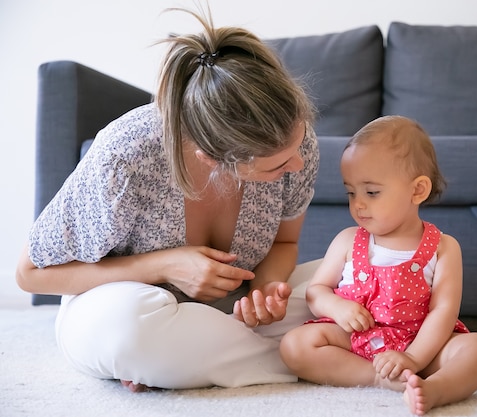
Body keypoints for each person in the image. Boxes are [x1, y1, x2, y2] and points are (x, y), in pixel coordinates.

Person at [15, 5, 320, 392]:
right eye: (276, 165)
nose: (297, 164)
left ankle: (180, 365)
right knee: (127, 329)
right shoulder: (126, 156)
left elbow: (285, 242)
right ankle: (308, 357)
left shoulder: (299, 142)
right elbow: (29, 274)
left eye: (297, 148)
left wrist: (263, 290)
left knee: (353, 283)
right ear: (211, 159)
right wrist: (164, 267)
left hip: (227, 312)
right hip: (131, 309)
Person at [279, 115, 477, 415]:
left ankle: (436, 389)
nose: (358, 203)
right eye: (351, 191)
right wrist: (336, 307)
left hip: (422, 343)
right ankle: (379, 378)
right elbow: (316, 291)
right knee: (295, 345)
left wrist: (413, 358)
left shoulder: (443, 247)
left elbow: (443, 312)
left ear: (417, 191)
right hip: (359, 343)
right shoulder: (347, 240)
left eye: (371, 192)